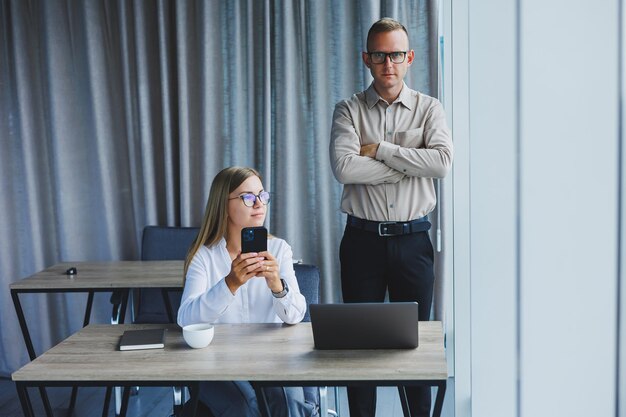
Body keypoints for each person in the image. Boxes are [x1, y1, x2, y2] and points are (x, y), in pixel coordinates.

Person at [329, 18, 453, 417]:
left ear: (409, 57)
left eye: (396, 54)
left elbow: (443, 163)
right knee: (358, 350)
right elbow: (345, 169)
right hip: (361, 242)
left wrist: (379, 149)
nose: (388, 63)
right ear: (366, 58)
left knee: (414, 349)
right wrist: (411, 163)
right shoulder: (348, 109)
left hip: (414, 241)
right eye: (379, 54)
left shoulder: (429, 108)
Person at [177, 166, 318, 417]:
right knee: (245, 405)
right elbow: (186, 318)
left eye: (262, 196)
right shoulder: (204, 255)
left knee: (288, 404)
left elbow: (295, 315)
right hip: (218, 360)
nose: (259, 204)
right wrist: (229, 283)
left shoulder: (279, 249)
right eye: (248, 197)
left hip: (273, 356)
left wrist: (278, 286)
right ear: (224, 205)